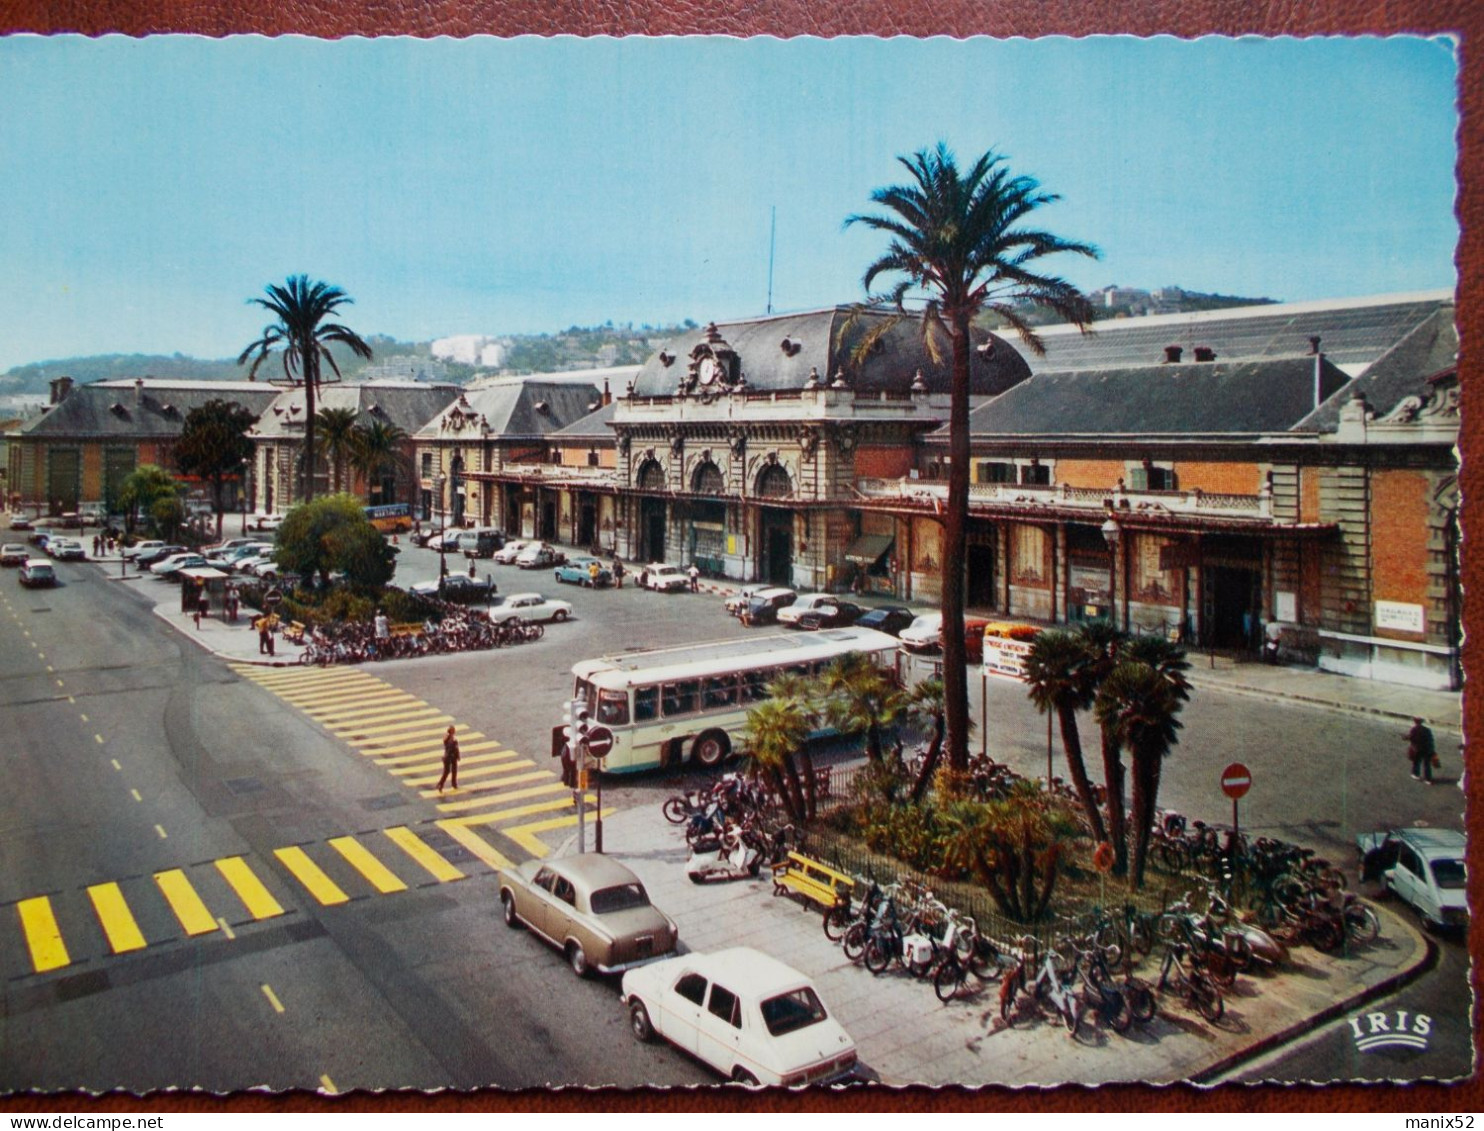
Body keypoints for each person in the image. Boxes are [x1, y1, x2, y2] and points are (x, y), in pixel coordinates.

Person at [1407, 717, 1437, 783]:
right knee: (1427, 765)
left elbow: (1411, 738)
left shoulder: (1413, 729)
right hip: (1426, 749)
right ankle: (1428, 779)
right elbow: (1430, 740)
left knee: (1416, 762)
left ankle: (1415, 774)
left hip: (1417, 749)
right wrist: (1432, 749)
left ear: (1415, 722)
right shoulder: (1427, 730)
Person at [438, 725, 461, 793]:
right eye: (453, 730)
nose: (455, 731)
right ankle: (443, 784)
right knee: (451, 771)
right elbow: (456, 749)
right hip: (451, 757)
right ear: (451, 731)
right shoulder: (453, 740)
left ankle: (443, 784)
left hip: (447, 757)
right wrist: (458, 756)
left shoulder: (447, 738)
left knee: (449, 771)